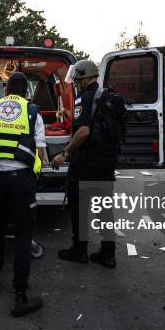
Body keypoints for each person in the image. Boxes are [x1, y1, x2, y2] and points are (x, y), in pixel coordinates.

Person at [0, 72, 46, 317]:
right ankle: (20, 294)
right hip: (20, 181)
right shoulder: (32, 112)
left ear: (5, 91)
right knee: (23, 234)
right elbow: (41, 155)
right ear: (27, 92)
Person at [51, 60, 118, 268]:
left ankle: (79, 251)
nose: (76, 83)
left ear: (83, 78)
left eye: (77, 79)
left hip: (87, 161)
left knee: (80, 207)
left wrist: (64, 153)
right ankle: (108, 255)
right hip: (106, 161)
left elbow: (84, 131)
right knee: (104, 208)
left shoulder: (84, 97)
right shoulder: (105, 96)